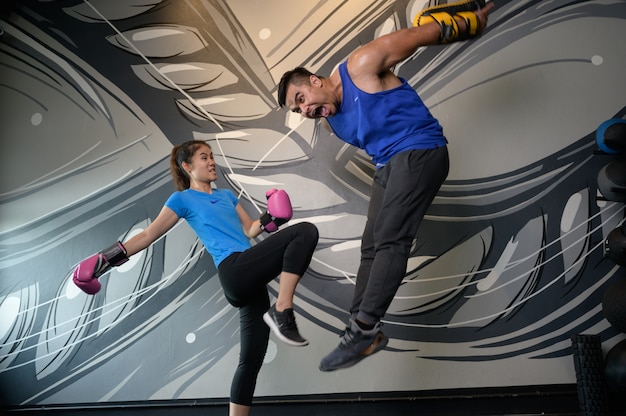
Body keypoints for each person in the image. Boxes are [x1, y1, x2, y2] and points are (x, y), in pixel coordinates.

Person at [277, 0, 494, 371]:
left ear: (314, 81)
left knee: (392, 237)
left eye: (302, 99)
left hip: (421, 150)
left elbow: (417, 35)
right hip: (390, 165)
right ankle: (359, 325)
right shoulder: (333, 122)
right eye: (298, 111)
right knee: (372, 245)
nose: (305, 110)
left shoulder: (360, 64)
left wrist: (468, 23)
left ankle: (364, 330)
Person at [72, 140, 319, 416]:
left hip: (249, 276)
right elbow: (148, 235)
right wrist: (103, 261)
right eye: (204, 157)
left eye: (212, 156)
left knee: (251, 360)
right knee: (305, 232)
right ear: (187, 166)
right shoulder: (182, 199)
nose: (212, 161)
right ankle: (282, 309)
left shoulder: (226, 196)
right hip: (233, 269)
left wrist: (271, 217)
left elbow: (250, 230)